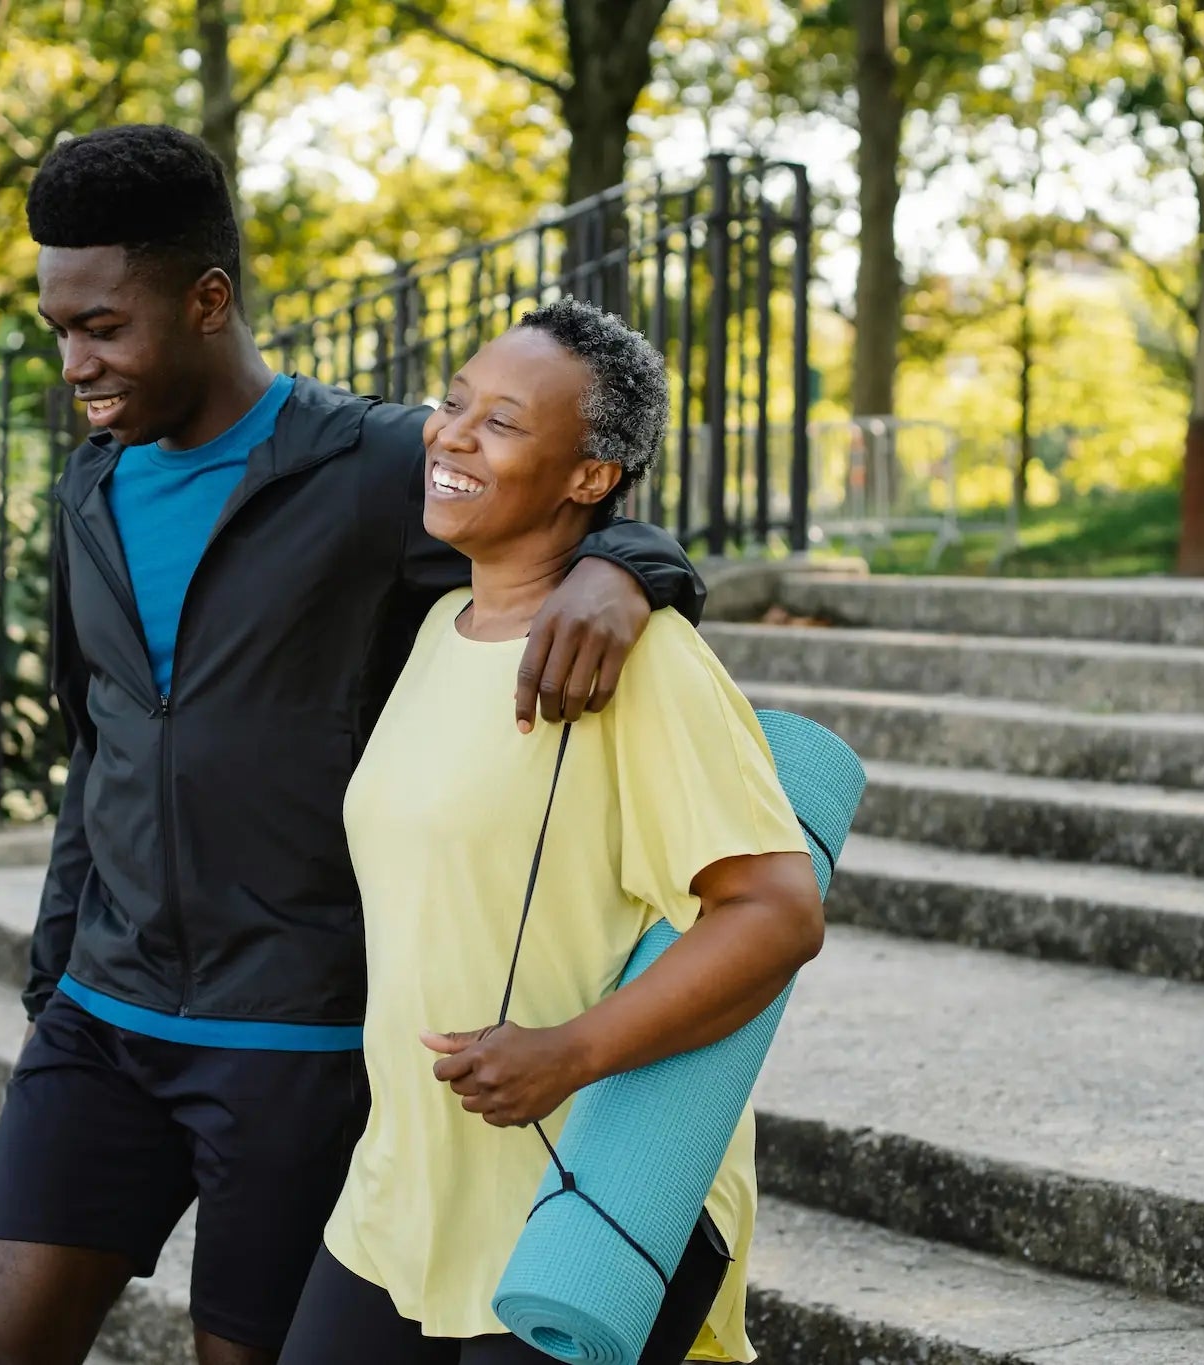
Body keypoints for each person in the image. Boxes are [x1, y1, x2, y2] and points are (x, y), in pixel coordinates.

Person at [0, 127, 706, 1365]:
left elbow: (574, 496)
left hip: (292, 1038)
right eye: (59, 332)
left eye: (104, 327)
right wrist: (51, 974)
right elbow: (101, 745)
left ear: (206, 300)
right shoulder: (88, 488)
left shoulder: (365, 462)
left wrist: (626, 576)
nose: (76, 364)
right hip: (100, 1015)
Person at [278, 298, 827, 1364]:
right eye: (451, 404)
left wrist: (568, 1054)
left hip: (586, 1196)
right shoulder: (437, 625)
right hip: (404, 1190)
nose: (449, 434)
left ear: (589, 477)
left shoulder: (643, 663)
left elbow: (775, 912)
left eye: (502, 423)